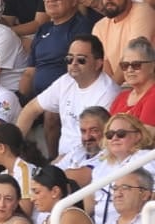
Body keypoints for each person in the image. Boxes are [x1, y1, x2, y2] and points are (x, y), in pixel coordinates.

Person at [19, 35, 118, 164]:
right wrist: (15, 149)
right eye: (70, 59)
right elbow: (31, 109)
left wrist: (59, 163)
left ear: (98, 64)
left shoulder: (107, 92)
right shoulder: (66, 81)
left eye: (81, 60)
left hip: (89, 161)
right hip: (64, 161)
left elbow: (96, 142)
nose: (74, 63)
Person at [22, 0, 98, 99]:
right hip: (38, 99)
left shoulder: (81, 27)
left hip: (65, 98)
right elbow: (29, 72)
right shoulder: (43, 29)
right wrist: (21, 98)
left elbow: (79, 70)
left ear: (74, 0)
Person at [92, 0, 155, 83]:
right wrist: (111, 89)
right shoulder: (99, 27)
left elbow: (133, 56)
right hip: (120, 87)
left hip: (145, 83)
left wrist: (113, 90)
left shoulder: (142, 11)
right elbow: (105, 66)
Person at [110, 35, 155, 126]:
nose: (129, 70)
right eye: (125, 65)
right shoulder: (121, 97)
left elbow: (145, 133)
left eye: (136, 65)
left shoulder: (153, 96)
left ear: (152, 66)